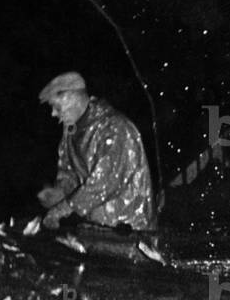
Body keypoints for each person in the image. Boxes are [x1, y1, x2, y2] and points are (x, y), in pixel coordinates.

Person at [37, 72, 156, 230]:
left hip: (128, 229)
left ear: (72, 98)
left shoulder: (115, 128)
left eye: (56, 107)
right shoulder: (71, 131)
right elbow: (69, 172)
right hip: (97, 227)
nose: (53, 113)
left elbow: (105, 183)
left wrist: (62, 209)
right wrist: (60, 192)